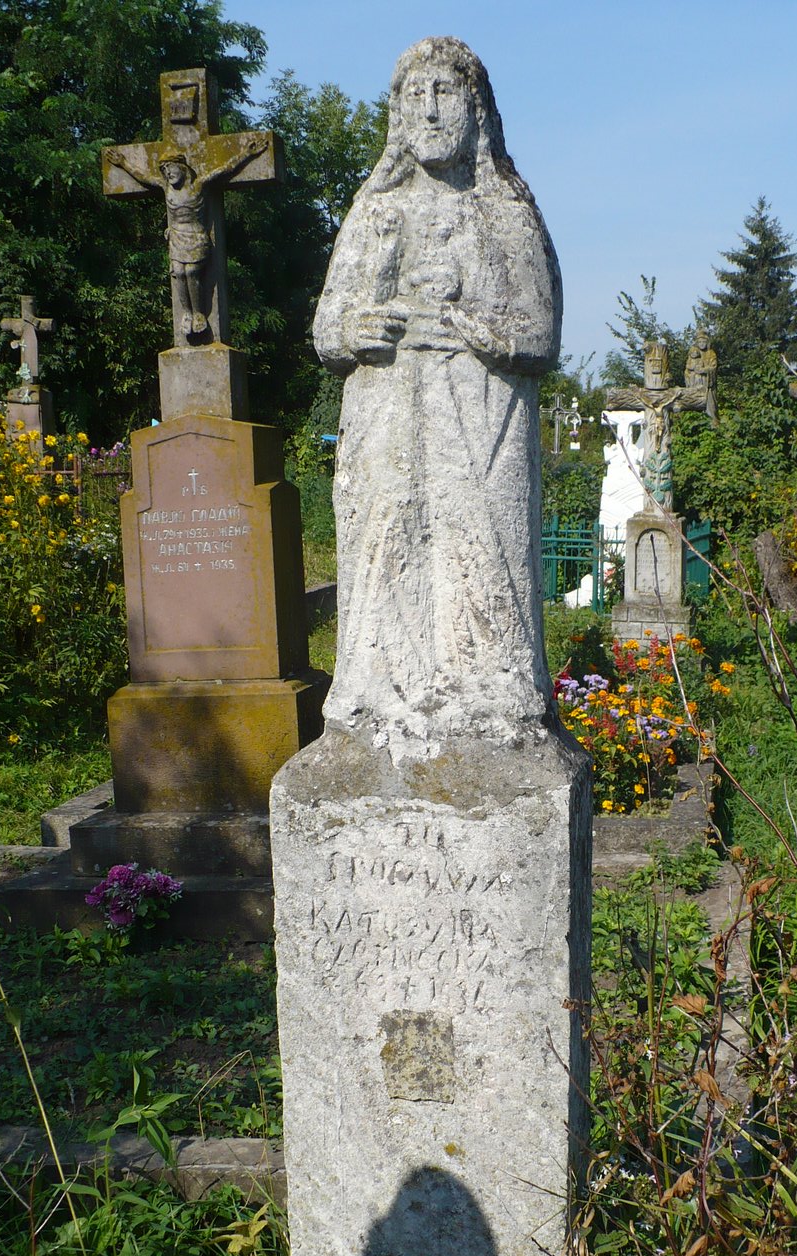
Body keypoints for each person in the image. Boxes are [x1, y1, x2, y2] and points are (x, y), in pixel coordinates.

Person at [313, 37, 562, 746]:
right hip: (387, 419)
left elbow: (540, 333)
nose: (429, 109)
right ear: (395, 113)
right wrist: (362, 326)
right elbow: (328, 327)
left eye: (445, 93)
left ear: (476, 109)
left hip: (479, 425)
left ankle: (494, 698)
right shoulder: (373, 210)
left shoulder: (505, 210)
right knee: (386, 547)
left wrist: (474, 328)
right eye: (414, 95)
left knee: (479, 549)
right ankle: (375, 697)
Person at [105, 135, 267, 340]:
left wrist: (246, 154)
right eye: (164, 171)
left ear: (181, 167)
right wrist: (123, 163)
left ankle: (199, 313)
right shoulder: (166, 188)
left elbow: (225, 169)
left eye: (170, 169)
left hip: (196, 235)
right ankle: (187, 313)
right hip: (176, 237)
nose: (167, 173)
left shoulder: (198, 185)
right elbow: (142, 176)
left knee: (191, 271)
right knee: (179, 273)